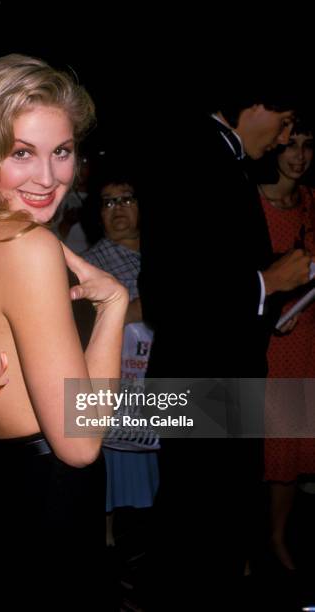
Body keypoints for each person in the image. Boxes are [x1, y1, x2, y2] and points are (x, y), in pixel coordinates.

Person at [0, 54, 128, 611]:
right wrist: (113, 304)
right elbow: (82, 443)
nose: (48, 177)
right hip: (41, 522)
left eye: (61, 152)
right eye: (22, 153)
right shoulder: (29, 247)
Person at [139, 78, 314, 609]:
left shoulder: (216, 155)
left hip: (210, 375)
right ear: (255, 102)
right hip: (201, 379)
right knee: (200, 529)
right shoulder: (195, 156)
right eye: (284, 122)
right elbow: (170, 292)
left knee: (207, 527)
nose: (286, 138)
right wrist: (269, 283)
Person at [83, 171, 159, 547]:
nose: (117, 209)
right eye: (108, 202)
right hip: (117, 382)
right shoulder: (90, 264)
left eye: (126, 199)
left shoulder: (162, 254)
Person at [257, 116, 315, 571]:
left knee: (290, 445)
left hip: (306, 337)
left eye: (308, 146)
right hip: (265, 341)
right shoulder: (252, 205)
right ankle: (240, 543)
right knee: (255, 442)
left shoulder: (312, 203)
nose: (298, 155)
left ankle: (277, 538)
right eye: (291, 144)